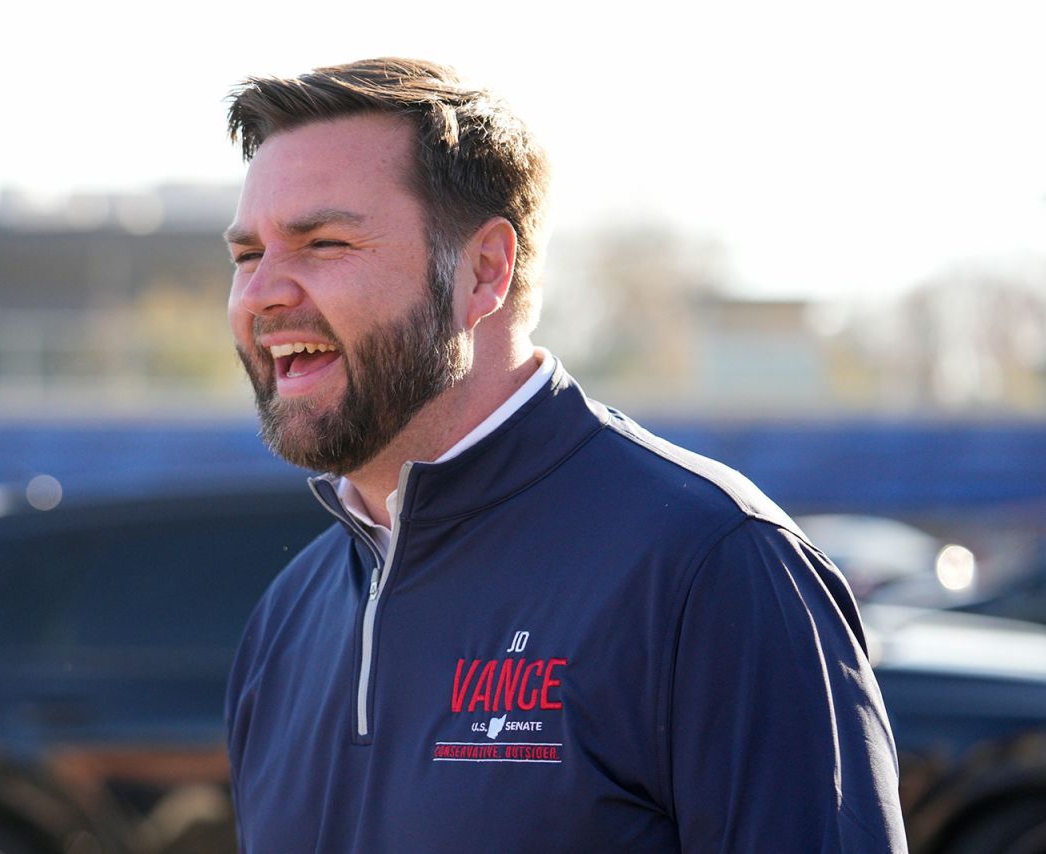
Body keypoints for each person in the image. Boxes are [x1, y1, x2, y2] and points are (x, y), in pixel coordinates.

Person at [222, 57, 907, 853]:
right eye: (246, 256)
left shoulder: (712, 567)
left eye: (324, 242)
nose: (262, 293)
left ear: (484, 271)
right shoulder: (286, 618)